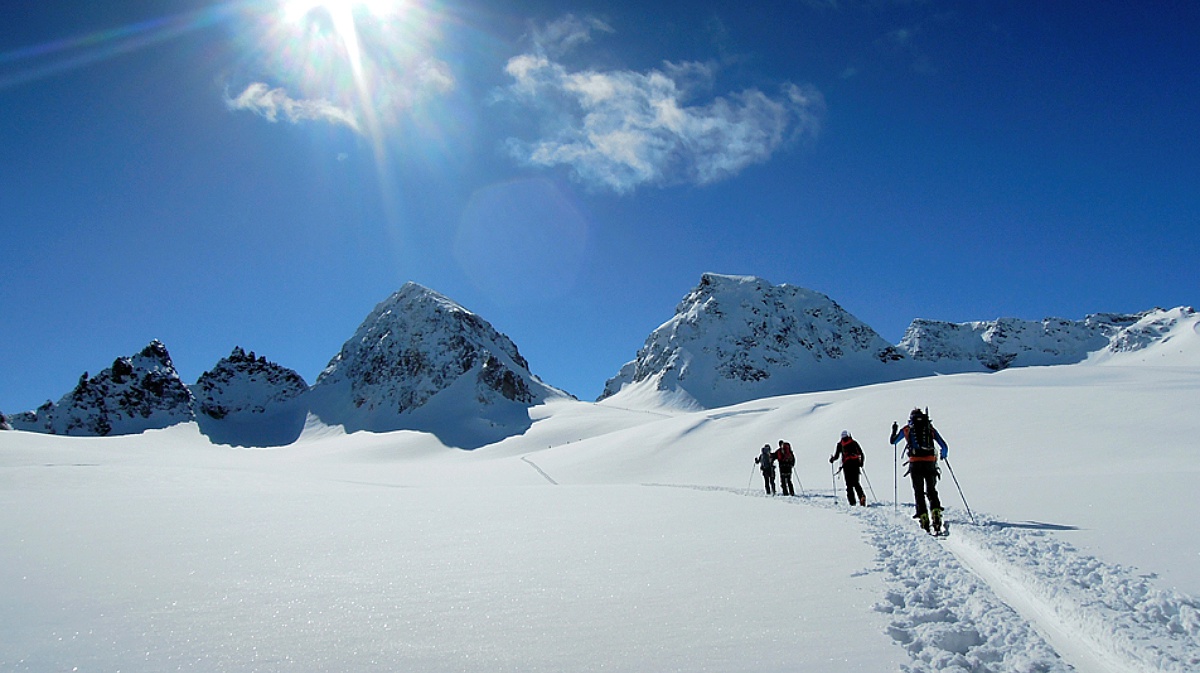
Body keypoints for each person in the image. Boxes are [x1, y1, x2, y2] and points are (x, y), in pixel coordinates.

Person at [890, 407, 949, 533]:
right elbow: (943, 445)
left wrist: (893, 430)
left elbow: (893, 442)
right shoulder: (929, 428)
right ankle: (936, 511)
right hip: (930, 461)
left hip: (915, 462)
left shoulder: (907, 429)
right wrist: (943, 455)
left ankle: (923, 516)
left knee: (918, 490)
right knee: (931, 489)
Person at [830, 430, 866, 506]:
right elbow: (861, 453)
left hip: (847, 465)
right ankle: (861, 496)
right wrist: (861, 463)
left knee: (849, 485)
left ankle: (852, 502)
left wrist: (832, 459)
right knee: (856, 483)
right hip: (855, 464)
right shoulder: (853, 442)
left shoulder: (840, 444)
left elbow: (836, 456)